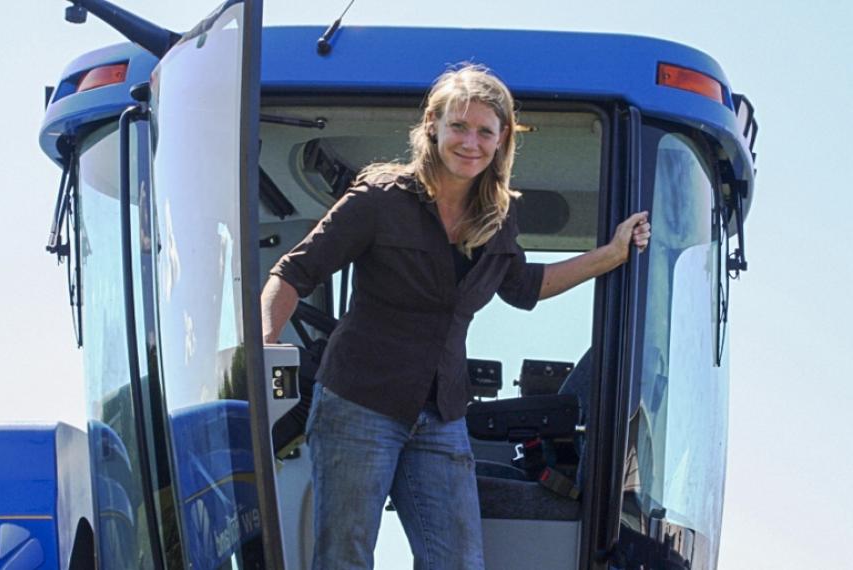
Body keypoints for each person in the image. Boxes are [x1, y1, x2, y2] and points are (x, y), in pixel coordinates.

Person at [260, 63, 651, 570]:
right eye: (459, 126)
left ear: (502, 138)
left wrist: (613, 254)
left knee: (459, 562)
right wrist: (264, 352)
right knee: (345, 559)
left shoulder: (498, 215)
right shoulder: (379, 198)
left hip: (441, 414)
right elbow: (293, 273)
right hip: (358, 404)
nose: (471, 142)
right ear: (433, 125)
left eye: (485, 131)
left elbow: (526, 288)